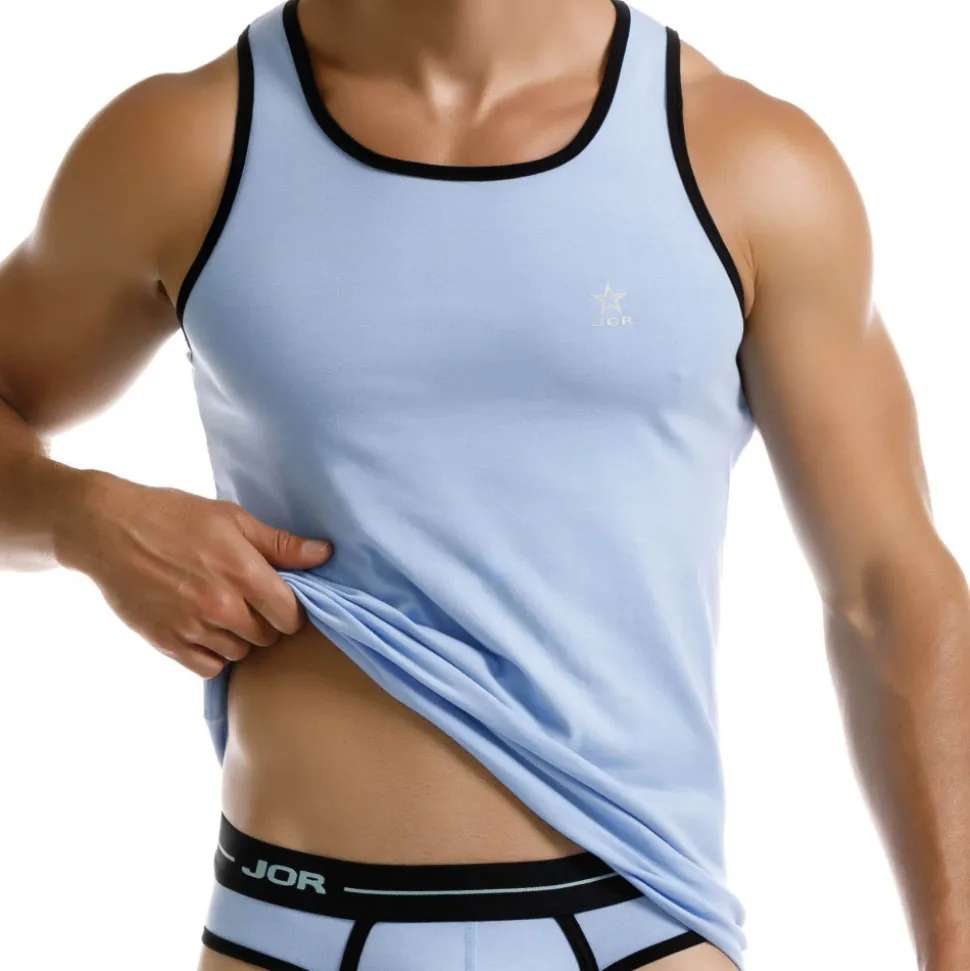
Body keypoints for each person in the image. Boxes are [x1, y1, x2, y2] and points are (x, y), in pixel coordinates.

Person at [1, 0, 968, 968]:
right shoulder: (189, 143)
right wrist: (83, 517)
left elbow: (889, 589)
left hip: (641, 925)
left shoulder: (746, 161)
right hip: (292, 922)